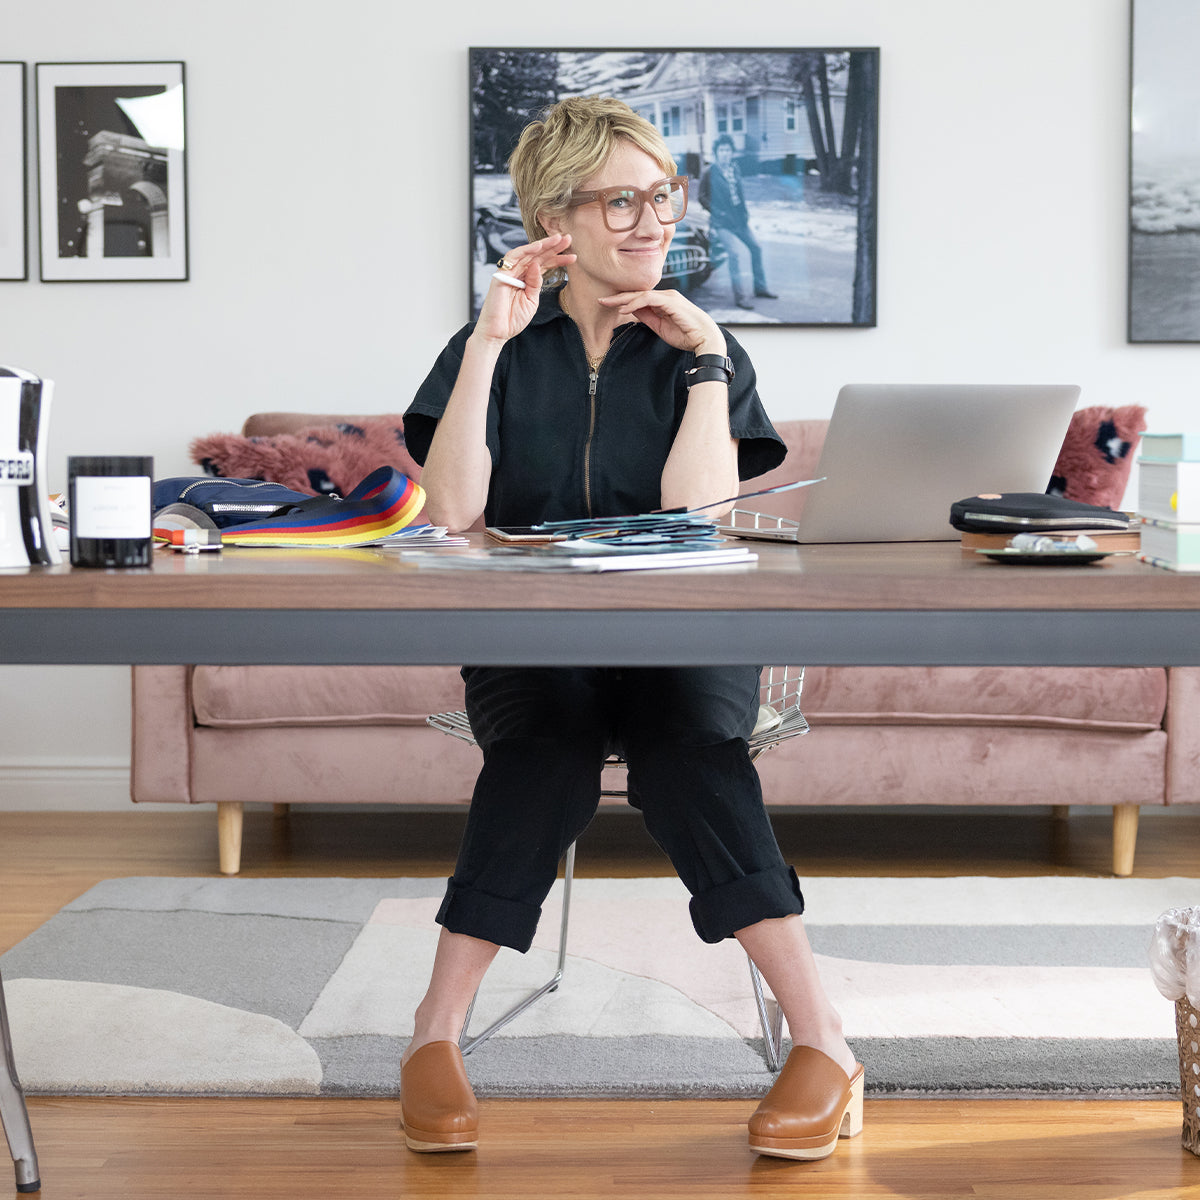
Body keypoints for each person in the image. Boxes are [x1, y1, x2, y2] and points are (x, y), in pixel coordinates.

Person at [400, 95, 860, 1163]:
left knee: (689, 755)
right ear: (556, 220)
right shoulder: (498, 343)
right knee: (542, 753)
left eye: (662, 196)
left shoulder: (704, 346)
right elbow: (456, 514)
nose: (653, 222)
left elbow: (697, 522)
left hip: (683, 638)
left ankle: (826, 1044)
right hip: (532, 641)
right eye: (622, 201)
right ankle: (434, 1039)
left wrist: (704, 361)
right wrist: (487, 344)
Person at [697, 133, 777, 310]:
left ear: (732, 152)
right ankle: (740, 297)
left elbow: (739, 194)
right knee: (734, 255)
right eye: (721, 150)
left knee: (756, 248)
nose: (725, 153)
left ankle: (760, 288)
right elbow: (701, 196)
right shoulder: (710, 171)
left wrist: (745, 212)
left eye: (728, 150)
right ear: (717, 152)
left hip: (739, 220)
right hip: (721, 222)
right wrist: (717, 211)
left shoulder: (735, 169)